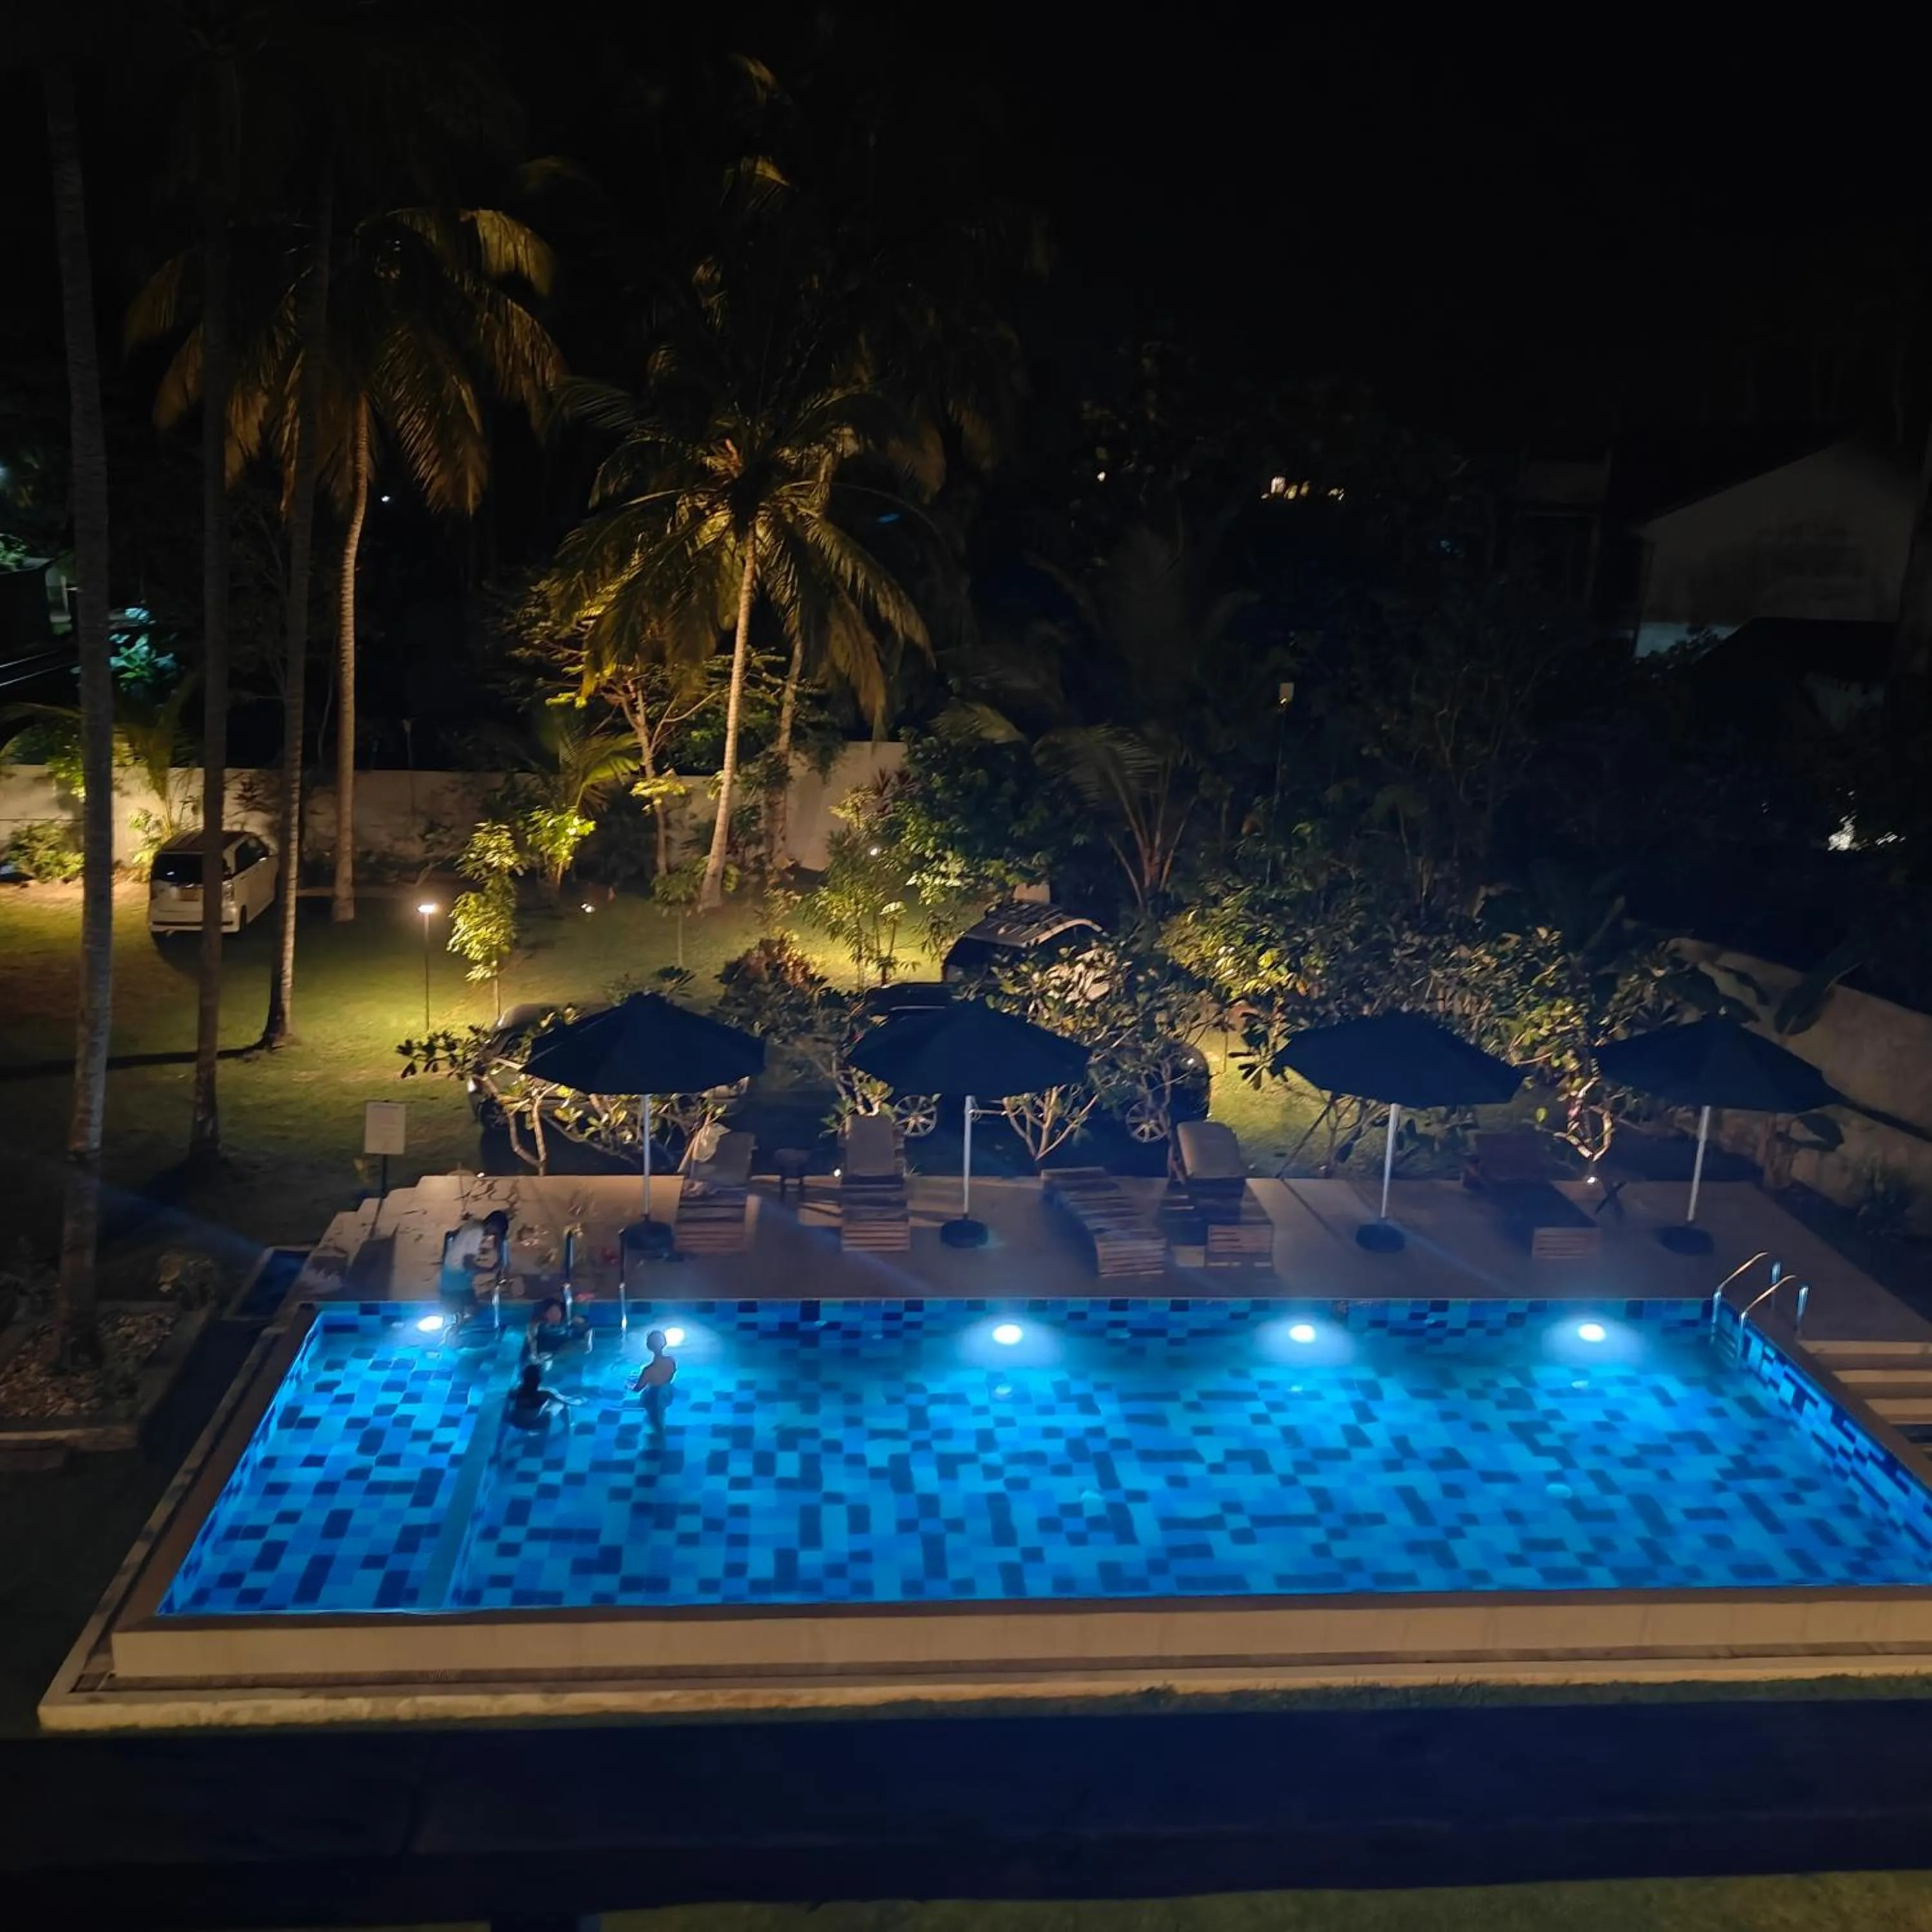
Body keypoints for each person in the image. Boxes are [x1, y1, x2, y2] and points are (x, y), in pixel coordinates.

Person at [439, 1209, 510, 1332]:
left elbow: (450, 1235)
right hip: (457, 1277)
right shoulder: (476, 1233)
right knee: (473, 1310)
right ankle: (457, 1329)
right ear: (491, 1225)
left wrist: (445, 1257)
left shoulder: (475, 1223)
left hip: (450, 1272)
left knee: (466, 1309)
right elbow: (468, 1263)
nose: (493, 1235)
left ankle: (458, 1325)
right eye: (495, 1231)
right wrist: (490, 1270)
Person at [505, 1360, 576, 1432]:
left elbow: (511, 1397)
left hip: (515, 1422)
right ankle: (568, 1428)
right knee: (560, 1404)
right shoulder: (546, 1393)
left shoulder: (518, 1391)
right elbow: (566, 1402)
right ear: (540, 1380)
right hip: (535, 1425)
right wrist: (578, 1401)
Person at [631, 1328, 678, 1435]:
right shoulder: (671, 1361)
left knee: (655, 1420)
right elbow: (671, 1376)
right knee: (661, 1415)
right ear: (665, 1343)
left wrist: (629, 1385)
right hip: (668, 1392)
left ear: (648, 1346)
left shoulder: (648, 1370)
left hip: (654, 1397)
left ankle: (658, 1436)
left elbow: (637, 1389)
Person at [524, 1295, 590, 1361]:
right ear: (545, 1315)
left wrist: (588, 1341)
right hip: (546, 1347)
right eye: (552, 1313)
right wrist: (534, 1353)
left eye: (557, 1312)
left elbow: (587, 1327)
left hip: (562, 1347)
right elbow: (532, 1339)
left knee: (585, 1349)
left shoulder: (568, 1320)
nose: (556, 1315)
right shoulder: (538, 1324)